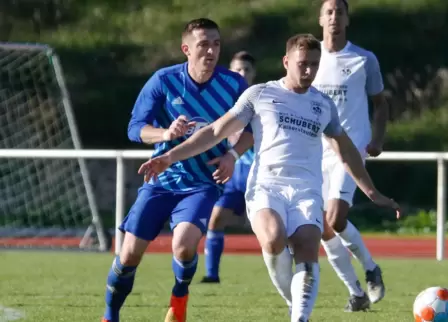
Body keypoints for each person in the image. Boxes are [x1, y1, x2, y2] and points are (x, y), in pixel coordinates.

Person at [138, 33, 400, 322]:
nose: (309, 71)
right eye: (302, 64)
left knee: (308, 246)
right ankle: (294, 302)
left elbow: (346, 150)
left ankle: (300, 318)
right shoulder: (260, 94)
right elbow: (214, 131)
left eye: (315, 64)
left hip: (306, 190)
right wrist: (170, 156)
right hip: (266, 186)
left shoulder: (323, 104)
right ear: (286, 61)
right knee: (274, 239)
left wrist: (372, 192)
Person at [100, 18, 252, 322]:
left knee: (183, 247)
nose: (211, 51)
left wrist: (232, 154)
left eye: (216, 43)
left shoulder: (234, 84)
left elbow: (253, 129)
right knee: (128, 255)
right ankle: (110, 316)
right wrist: (165, 134)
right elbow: (135, 128)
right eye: (203, 44)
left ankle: (180, 295)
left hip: (203, 183)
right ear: (186, 49)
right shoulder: (163, 80)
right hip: (162, 180)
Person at [313, 0, 391, 309]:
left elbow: (381, 103)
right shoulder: (308, 57)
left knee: (335, 216)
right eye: (329, 12)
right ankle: (357, 292)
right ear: (321, 18)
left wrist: (377, 139)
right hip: (315, 152)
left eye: (340, 12)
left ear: (347, 19)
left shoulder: (363, 59)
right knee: (323, 227)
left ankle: (371, 268)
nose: (334, 17)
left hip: (351, 148)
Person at [201, 51, 257, 283]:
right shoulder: (222, 102)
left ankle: (294, 273)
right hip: (234, 176)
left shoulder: (262, 100)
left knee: (273, 230)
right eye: (237, 70)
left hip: (260, 175)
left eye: (246, 70)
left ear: (254, 74)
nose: (241, 74)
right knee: (215, 219)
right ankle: (212, 275)